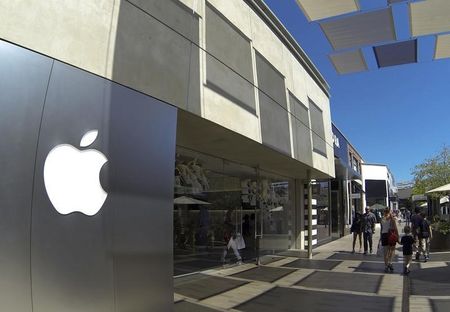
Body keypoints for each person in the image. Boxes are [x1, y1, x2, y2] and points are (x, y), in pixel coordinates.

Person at [380, 208, 399, 273]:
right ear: (389, 211)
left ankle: (386, 266)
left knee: (386, 251)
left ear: (384, 212)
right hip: (391, 235)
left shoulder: (382, 219)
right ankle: (390, 263)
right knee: (392, 250)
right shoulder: (392, 219)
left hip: (384, 235)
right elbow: (395, 229)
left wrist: (380, 238)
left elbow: (381, 229)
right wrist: (398, 237)